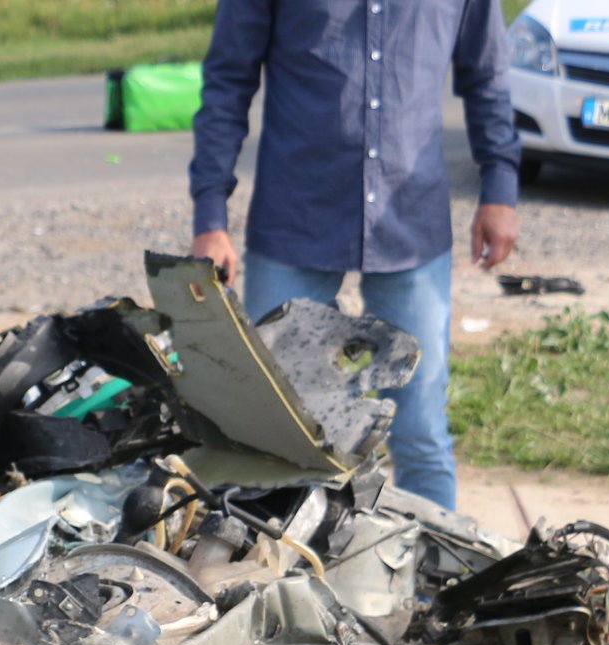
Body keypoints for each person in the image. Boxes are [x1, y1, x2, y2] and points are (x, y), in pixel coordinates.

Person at [188, 0, 521, 510]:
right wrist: (211, 217)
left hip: (411, 225)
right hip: (296, 218)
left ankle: (428, 561)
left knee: (420, 432)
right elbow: (228, 80)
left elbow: (488, 76)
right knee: (273, 433)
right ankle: (276, 558)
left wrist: (499, 187)